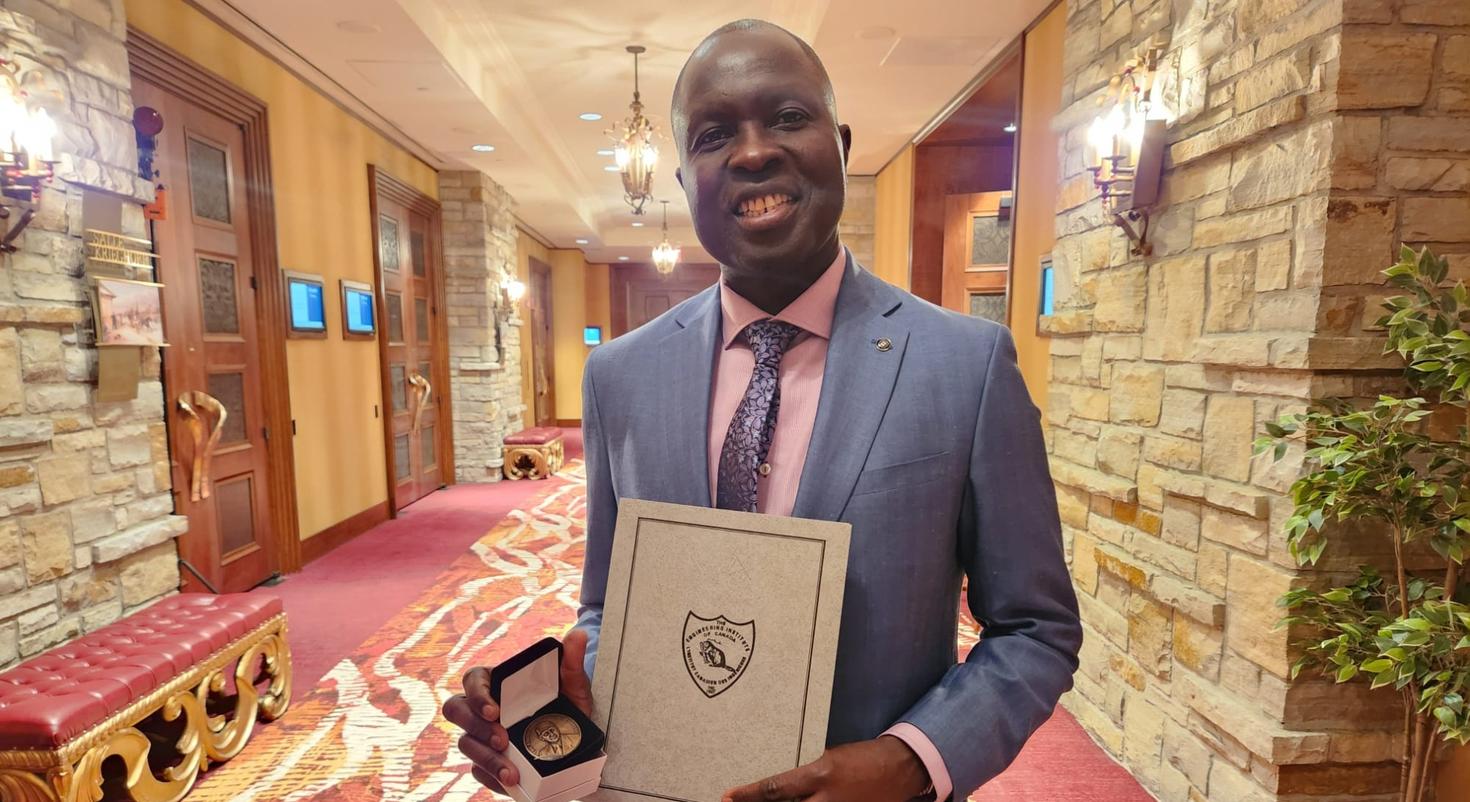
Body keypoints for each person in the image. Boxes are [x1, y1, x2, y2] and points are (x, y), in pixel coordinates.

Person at [444, 18, 1081, 801]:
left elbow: (1035, 628)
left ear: (840, 143)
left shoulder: (966, 365)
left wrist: (912, 759)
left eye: (786, 117)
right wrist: (556, 721)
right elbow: (610, 605)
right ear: (684, 182)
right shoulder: (620, 375)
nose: (751, 152)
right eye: (714, 135)